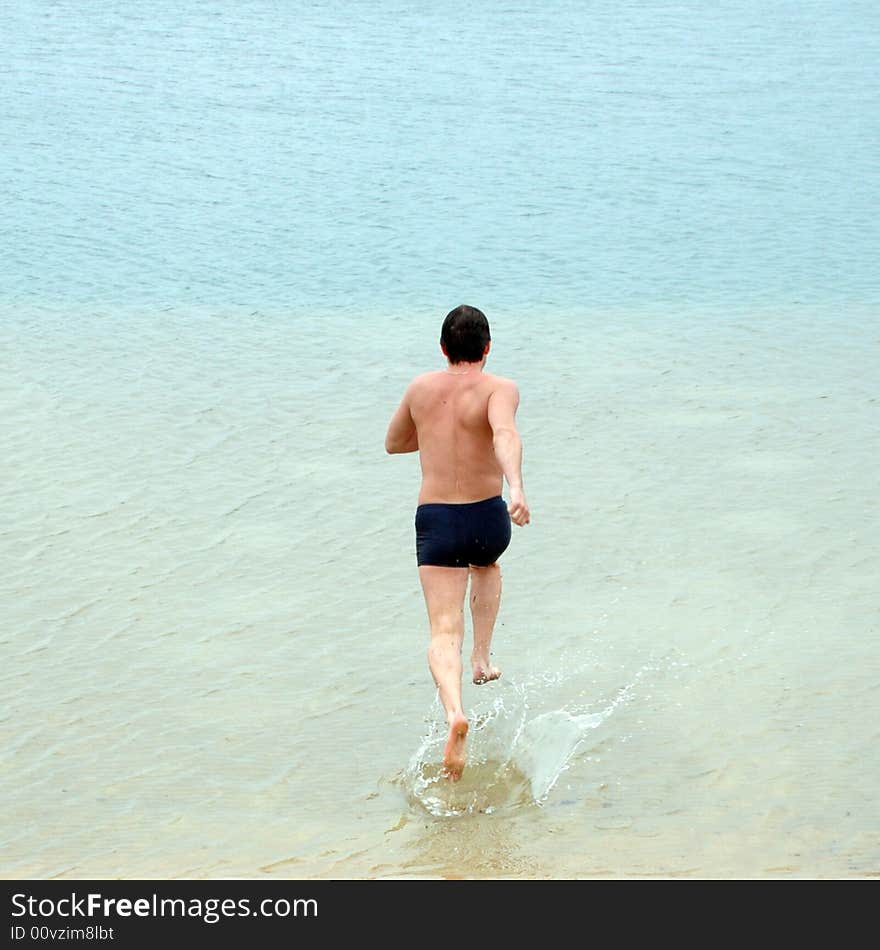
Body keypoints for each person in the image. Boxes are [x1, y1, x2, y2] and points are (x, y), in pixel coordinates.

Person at [384, 305, 530, 781]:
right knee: (486, 566)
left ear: (443, 348)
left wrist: (432, 433)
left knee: (442, 631)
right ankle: (483, 659)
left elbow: (394, 443)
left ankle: (454, 714)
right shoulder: (499, 388)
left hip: (438, 517)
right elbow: (505, 433)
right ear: (487, 348)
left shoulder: (421, 388)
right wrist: (517, 489)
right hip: (487, 513)